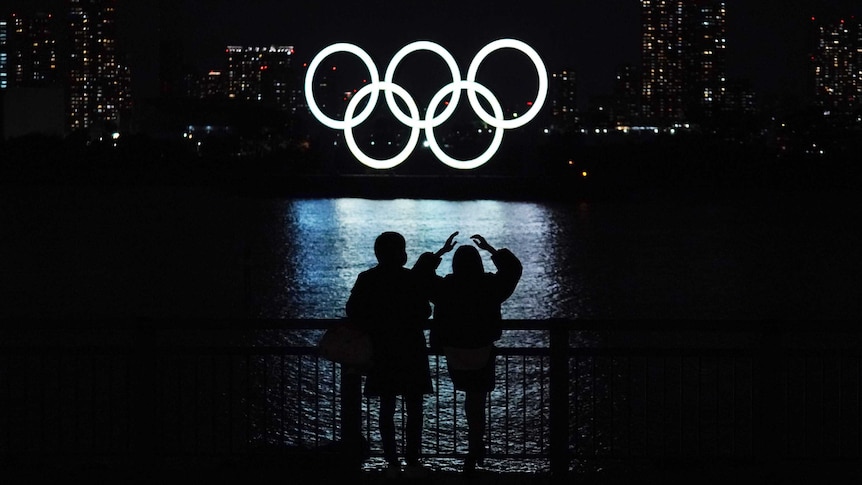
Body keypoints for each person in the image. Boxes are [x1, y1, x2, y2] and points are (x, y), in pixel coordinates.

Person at [417, 232, 523, 475]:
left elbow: (420, 276)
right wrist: (491, 250)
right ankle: (476, 445)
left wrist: (440, 253)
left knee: (469, 397)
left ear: (455, 264)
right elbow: (513, 268)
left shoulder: (446, 287)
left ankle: (474, 446)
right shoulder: (490, 286)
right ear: (478, 263)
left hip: (454, 351)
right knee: (477, 399)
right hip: (482, 349)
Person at [345, 231, 433, 477]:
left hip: (382, 350)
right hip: (411, 349)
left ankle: (392, 461)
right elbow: (425, 311)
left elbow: (352, 310)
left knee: (387, 407)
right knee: (414, 408)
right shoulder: (411, 279)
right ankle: (413, 460)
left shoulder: (367, 278)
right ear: (401, 252)